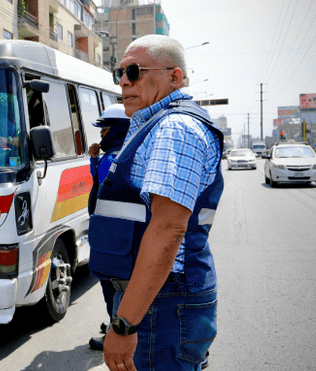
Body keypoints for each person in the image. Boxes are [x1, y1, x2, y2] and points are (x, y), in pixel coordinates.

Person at [88, 35, 223, 371]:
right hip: (158, 299)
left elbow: (167, 230)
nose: (123, 81)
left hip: (161, 305)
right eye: (118, 72)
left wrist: (125, 325)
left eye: (134, 71)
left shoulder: (174, 128)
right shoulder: (156, 125)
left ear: (174, 77)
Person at [87, 104, 131, 351]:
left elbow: (102, 190)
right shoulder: (125, 152)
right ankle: (117, 325)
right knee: (119, 286)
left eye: (105, 131)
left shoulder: (112, 158)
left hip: (110, 235)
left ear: (117, 130)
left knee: (111, 286)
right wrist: (95, 159)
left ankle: (115, 335)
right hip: (122, 234)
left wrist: (99, 161)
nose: (101, 135)